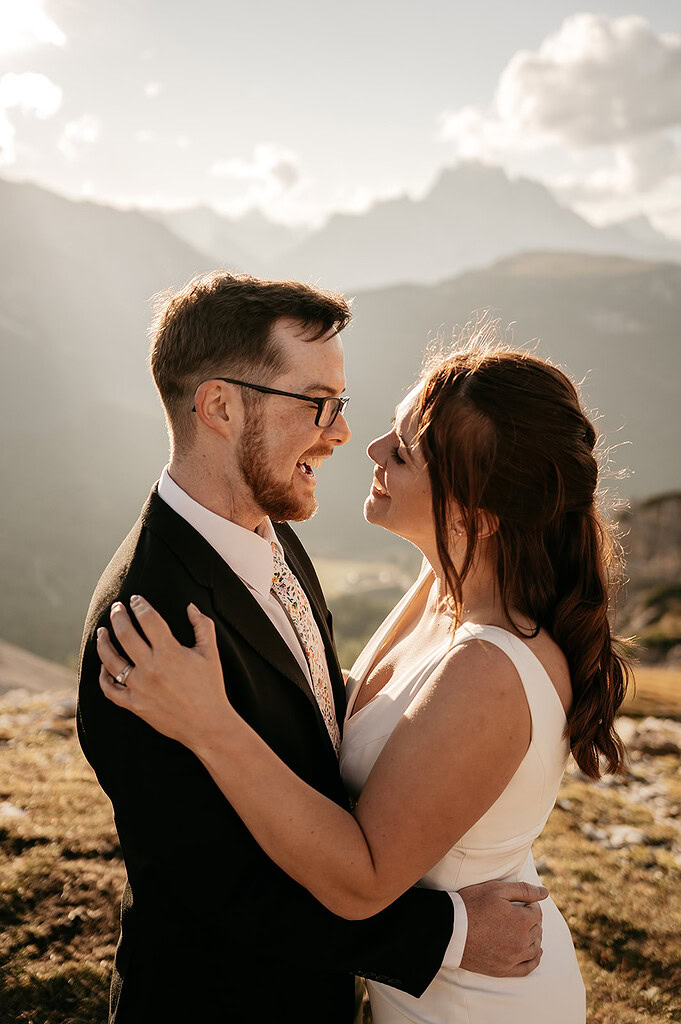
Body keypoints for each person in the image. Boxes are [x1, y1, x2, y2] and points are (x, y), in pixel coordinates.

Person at [98, 332, 632, 1023]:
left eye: (404, 453)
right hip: (412, 984)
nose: (372, 449)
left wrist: (209, 722)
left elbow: (363, 881)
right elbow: (385, 719)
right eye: (394, 428)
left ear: (474, 517)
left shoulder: (488, 670)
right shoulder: (441, 588)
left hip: (472, 1001)